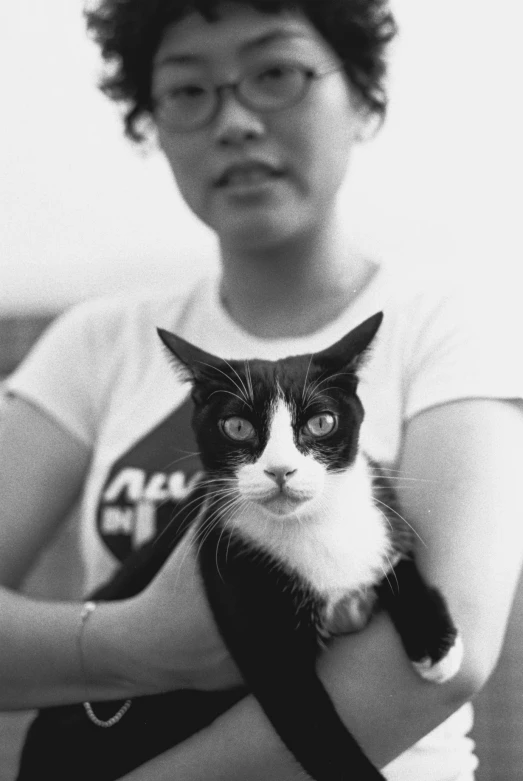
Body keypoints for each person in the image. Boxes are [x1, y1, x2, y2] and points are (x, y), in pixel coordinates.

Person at [1, 1, 523, 779]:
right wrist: (128, 642)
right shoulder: (95, 342)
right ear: (153, 120)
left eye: (275, 72)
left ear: (361, 94)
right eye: (187, 90)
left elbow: (446, 663)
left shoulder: (447, 325)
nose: (235, 121)